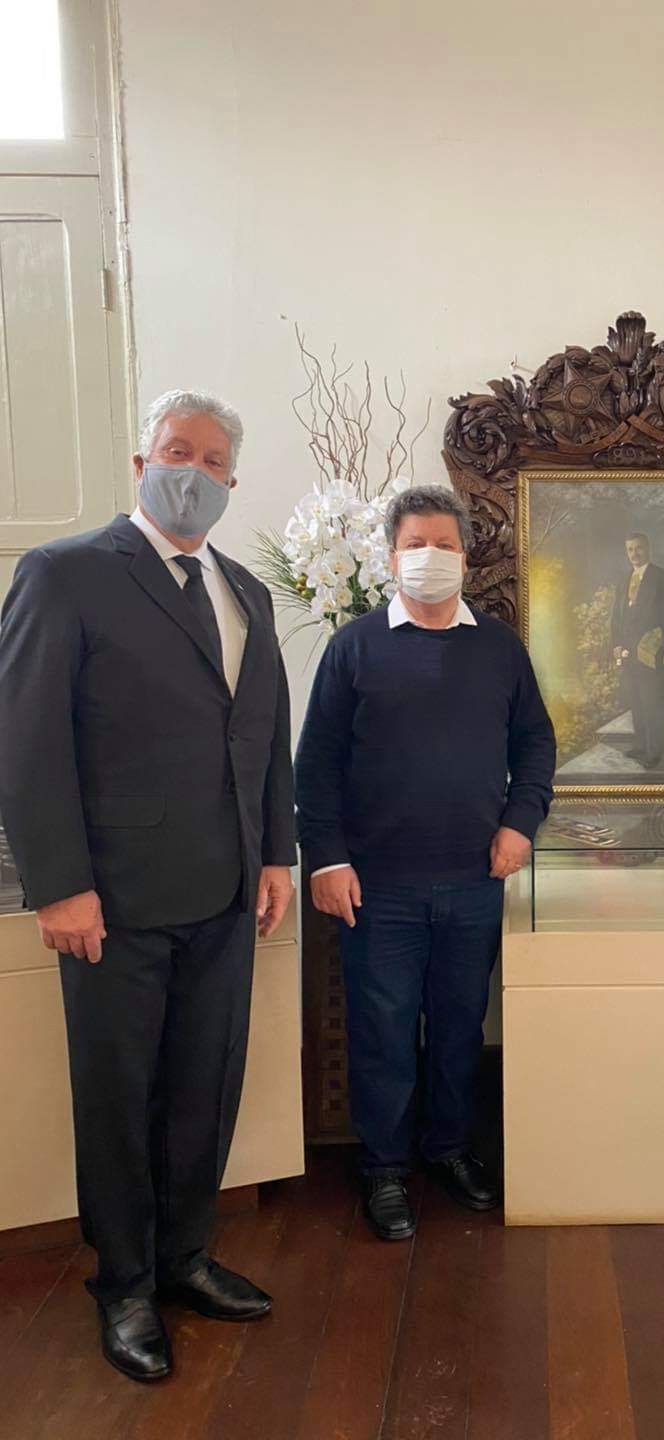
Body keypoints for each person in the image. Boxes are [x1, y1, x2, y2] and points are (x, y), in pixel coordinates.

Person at [0, 391, 296, 1381]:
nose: (193, 472)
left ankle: (185, 1257)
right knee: (120, 1095)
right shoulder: (66, 574)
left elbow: (263, 738)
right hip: (114, 904)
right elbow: (25, 740)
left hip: (226, 894)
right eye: (178, 451)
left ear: (232, 481)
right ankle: (124, 1284)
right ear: (141, 464)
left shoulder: (246, 592)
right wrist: (58, 885)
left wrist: (277, 854)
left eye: (213, 461)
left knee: (204, 1087)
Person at [294, 485, 555, 1241]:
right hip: (378, 887)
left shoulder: (499, 648)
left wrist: (520, 823)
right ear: (389, 556)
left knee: (459, 1027)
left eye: (445, 545)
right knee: (381, 1030)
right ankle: (383, 1168)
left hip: (475, 879)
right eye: (416, 545)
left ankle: (448, 1149)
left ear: (466, 559)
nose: (430, 557)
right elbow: (316, 766)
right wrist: (326, 860)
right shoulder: (354, 648)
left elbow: (535, 744)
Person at [610, 533, 664, 768]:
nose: (635, 553)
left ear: (648, 548)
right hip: (628, 652)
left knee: (652, 701)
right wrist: (617, 645)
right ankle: (641, 745)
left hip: (652, 650)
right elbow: (617, 617)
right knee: (636, 701)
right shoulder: (624, 580)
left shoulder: (663, 579)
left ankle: (654, 752)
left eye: (639, 548)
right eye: (630, 549)